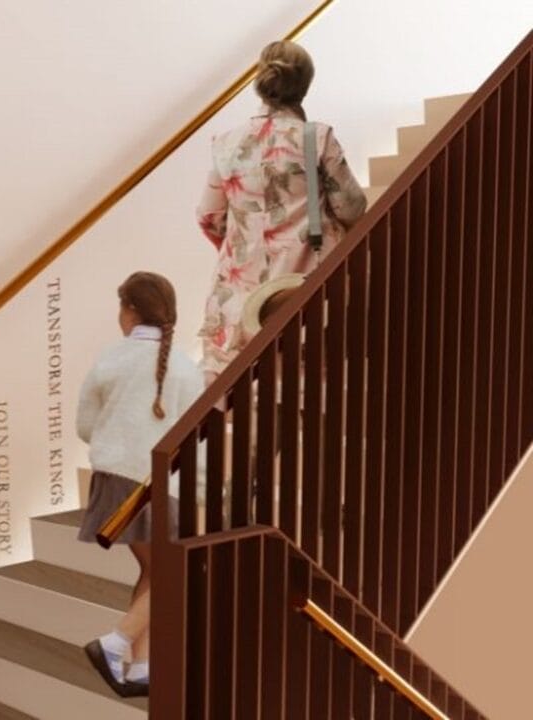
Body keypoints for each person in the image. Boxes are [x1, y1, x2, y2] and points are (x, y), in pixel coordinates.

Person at [197, 40, 367, 382]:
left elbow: (209, 215)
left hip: (238, 290)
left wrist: (244, 242)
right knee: (303, 382)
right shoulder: (315, 138)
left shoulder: (227, 142)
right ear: (304, 84)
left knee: (237, 387)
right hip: (303, 281)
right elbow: (352, 207)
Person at [77, 273, 204, 697]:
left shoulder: (110, 358)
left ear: (129, 310)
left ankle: (140, 667)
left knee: (155, 569)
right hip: (159, 484)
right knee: (172, 570)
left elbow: (85, 426)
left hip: (114, 480)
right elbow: (196, 439)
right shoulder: (186, 368)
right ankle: (116, 643)